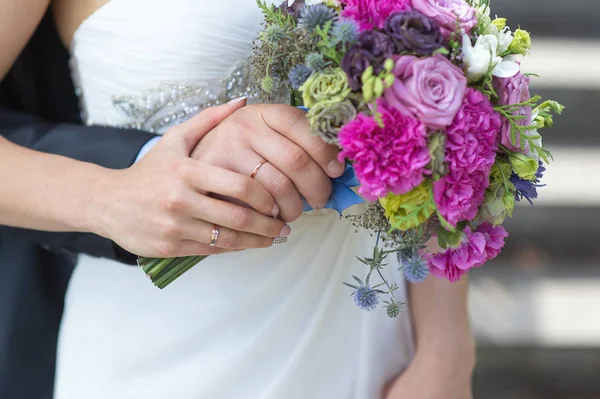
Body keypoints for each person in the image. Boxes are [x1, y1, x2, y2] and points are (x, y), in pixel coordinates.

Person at [0, 1, 475, 398]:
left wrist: (445, 344)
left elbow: (435, 117)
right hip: (164, 347)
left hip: (371, 337)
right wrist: (111, 197)